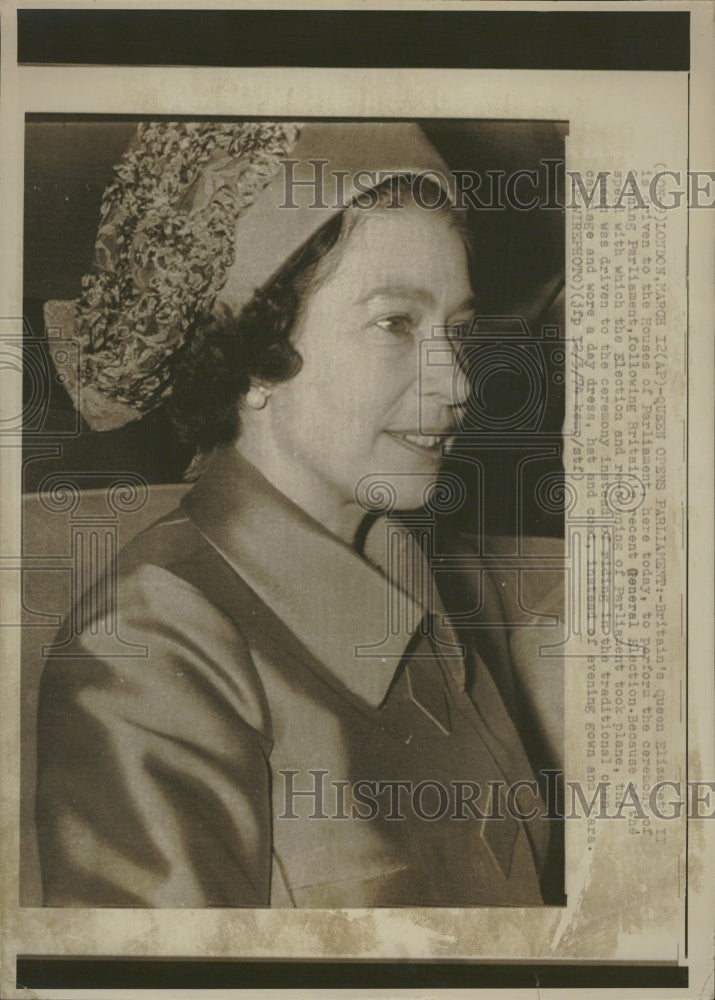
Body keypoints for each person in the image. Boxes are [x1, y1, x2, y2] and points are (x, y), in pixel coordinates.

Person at [36, 121, 563, 907]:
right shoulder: (147, 647)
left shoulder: (422, 583)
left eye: (456, 329)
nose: (456, 383)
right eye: (395, 324)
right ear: (253, 354)